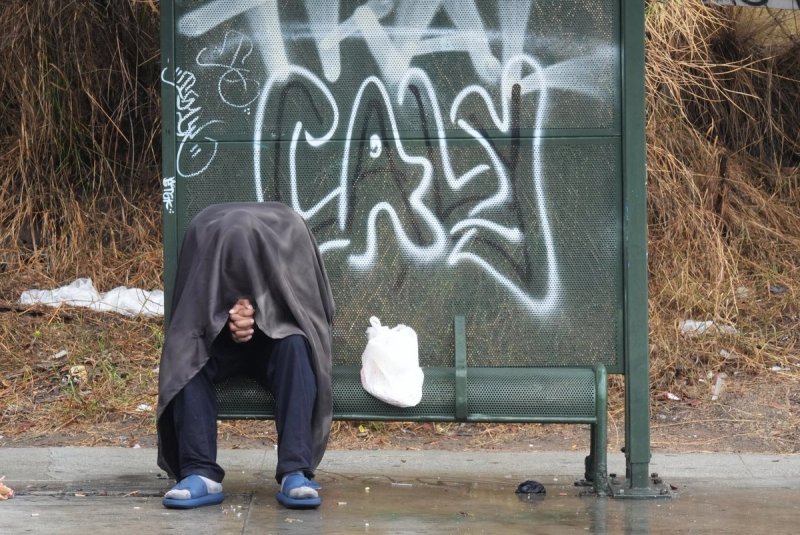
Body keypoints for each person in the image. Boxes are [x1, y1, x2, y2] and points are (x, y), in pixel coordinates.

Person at [155, 202, 335, 510]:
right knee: (186, 349)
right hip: (217, 342)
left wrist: (263, 313)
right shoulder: (205, 232)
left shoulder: (288, 230)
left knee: (296, 345)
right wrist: (226, 315)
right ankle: (200, 471)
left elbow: (311, 313)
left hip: (276, 342)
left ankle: (295, 470)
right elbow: (191, 312)